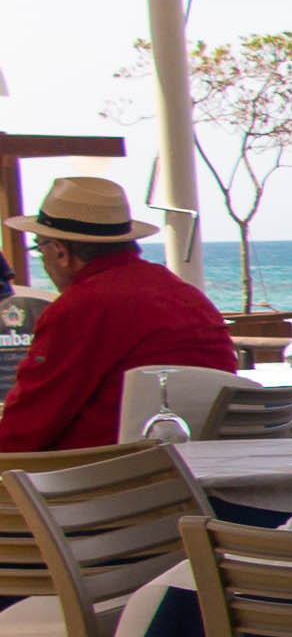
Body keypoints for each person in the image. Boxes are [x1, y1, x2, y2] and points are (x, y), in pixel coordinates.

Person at [0, 178, 240, 452]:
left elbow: (24, 429)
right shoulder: (185, 295)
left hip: (103, 472)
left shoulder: (82, 306)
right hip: (198, 467)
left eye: (39, 249)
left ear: (59, 251)